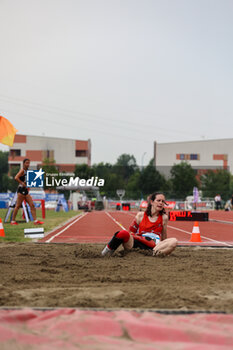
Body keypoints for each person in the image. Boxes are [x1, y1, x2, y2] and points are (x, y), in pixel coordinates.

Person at [102, 192, 177, 257]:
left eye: (163, 201)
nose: (161, 203)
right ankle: (105, 254)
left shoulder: (164, 218)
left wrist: (165, 248)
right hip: (138, 243)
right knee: (123, 233)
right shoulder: (140, 215)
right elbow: (131, 232)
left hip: (154, 247)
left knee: (174, 241)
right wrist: (141, 239)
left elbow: (164, 237)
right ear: (152, 202)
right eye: (158, 200)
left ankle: (153, 254)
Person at [10, 158, 44, 225]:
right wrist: (22, 183)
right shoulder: (22, 170)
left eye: (29, 163)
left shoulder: (28, 171)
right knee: (18, 206)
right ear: (23, 163)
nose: (28, 164)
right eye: (27, 163)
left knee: (32, 205)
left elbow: (27, 180)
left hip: (26, 191)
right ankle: (13, 221)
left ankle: (35, 221)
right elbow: (16, 177)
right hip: (21, 190)